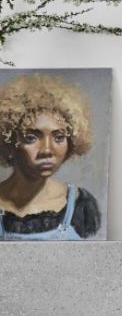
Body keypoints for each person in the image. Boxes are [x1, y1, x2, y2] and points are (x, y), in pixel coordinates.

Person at [0, 72, 102, 239]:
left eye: (59, 137)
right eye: (31, 138)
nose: (47, 150)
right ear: (9, 141)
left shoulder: (81, 206)